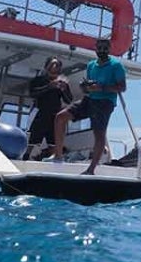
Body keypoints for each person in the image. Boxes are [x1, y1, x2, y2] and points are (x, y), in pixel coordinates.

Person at [46, 38, 127, 175]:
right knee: (60, 117)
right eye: (99, 48)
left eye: (104, 48)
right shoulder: (91, 65)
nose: (102, 50)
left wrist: (101, 88)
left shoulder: (116, 65)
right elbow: (87, 87)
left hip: (105, 102)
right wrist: (85, 87)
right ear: (95, 49)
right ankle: (58, 156)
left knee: (99, 133)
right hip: (89, 99)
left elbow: (122, 87)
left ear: (109, 49)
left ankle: (91, 169)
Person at [25, 57, 72, 160]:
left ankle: (53, 160)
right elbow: (33, 93)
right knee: (33, 141)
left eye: (57, 67)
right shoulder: (38, 80)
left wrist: (64, 89)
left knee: (54, 142)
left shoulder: (62, 83)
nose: (54, 69)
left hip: (54, 117)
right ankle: (25, 157)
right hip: (40, 114)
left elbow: (69, 100)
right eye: (51, 66)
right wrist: (49, 86)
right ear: (46, 67)